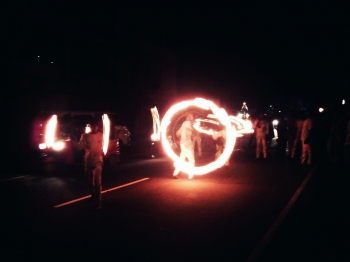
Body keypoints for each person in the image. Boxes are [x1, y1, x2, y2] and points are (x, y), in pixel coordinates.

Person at [71, 118, 104, 209]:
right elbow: (78, 148)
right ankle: (93, 195)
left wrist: (116, 137)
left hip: (98, 161)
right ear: (89, 126)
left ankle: (98, 201)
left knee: (97, 182)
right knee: (89, 182)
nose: (94, 127)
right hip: (88, 161)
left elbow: (105, 146)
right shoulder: (85, 136)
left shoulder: (101, 135)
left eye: (95, 125)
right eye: (92, 125)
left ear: (98, 127)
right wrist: (73, 140)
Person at [173, 114, 195, 180]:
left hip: (183, 144)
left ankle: (175, 173)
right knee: (191, 160)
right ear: (188, 117)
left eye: (192, 116)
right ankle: (191, 176)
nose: (192, 117)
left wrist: (181, 139)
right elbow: (190, 128)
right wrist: (195, 128)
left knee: (181, 160)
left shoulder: (183, 124)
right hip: (186, 144)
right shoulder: (188, 123)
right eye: (191, 116)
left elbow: (177, 133)